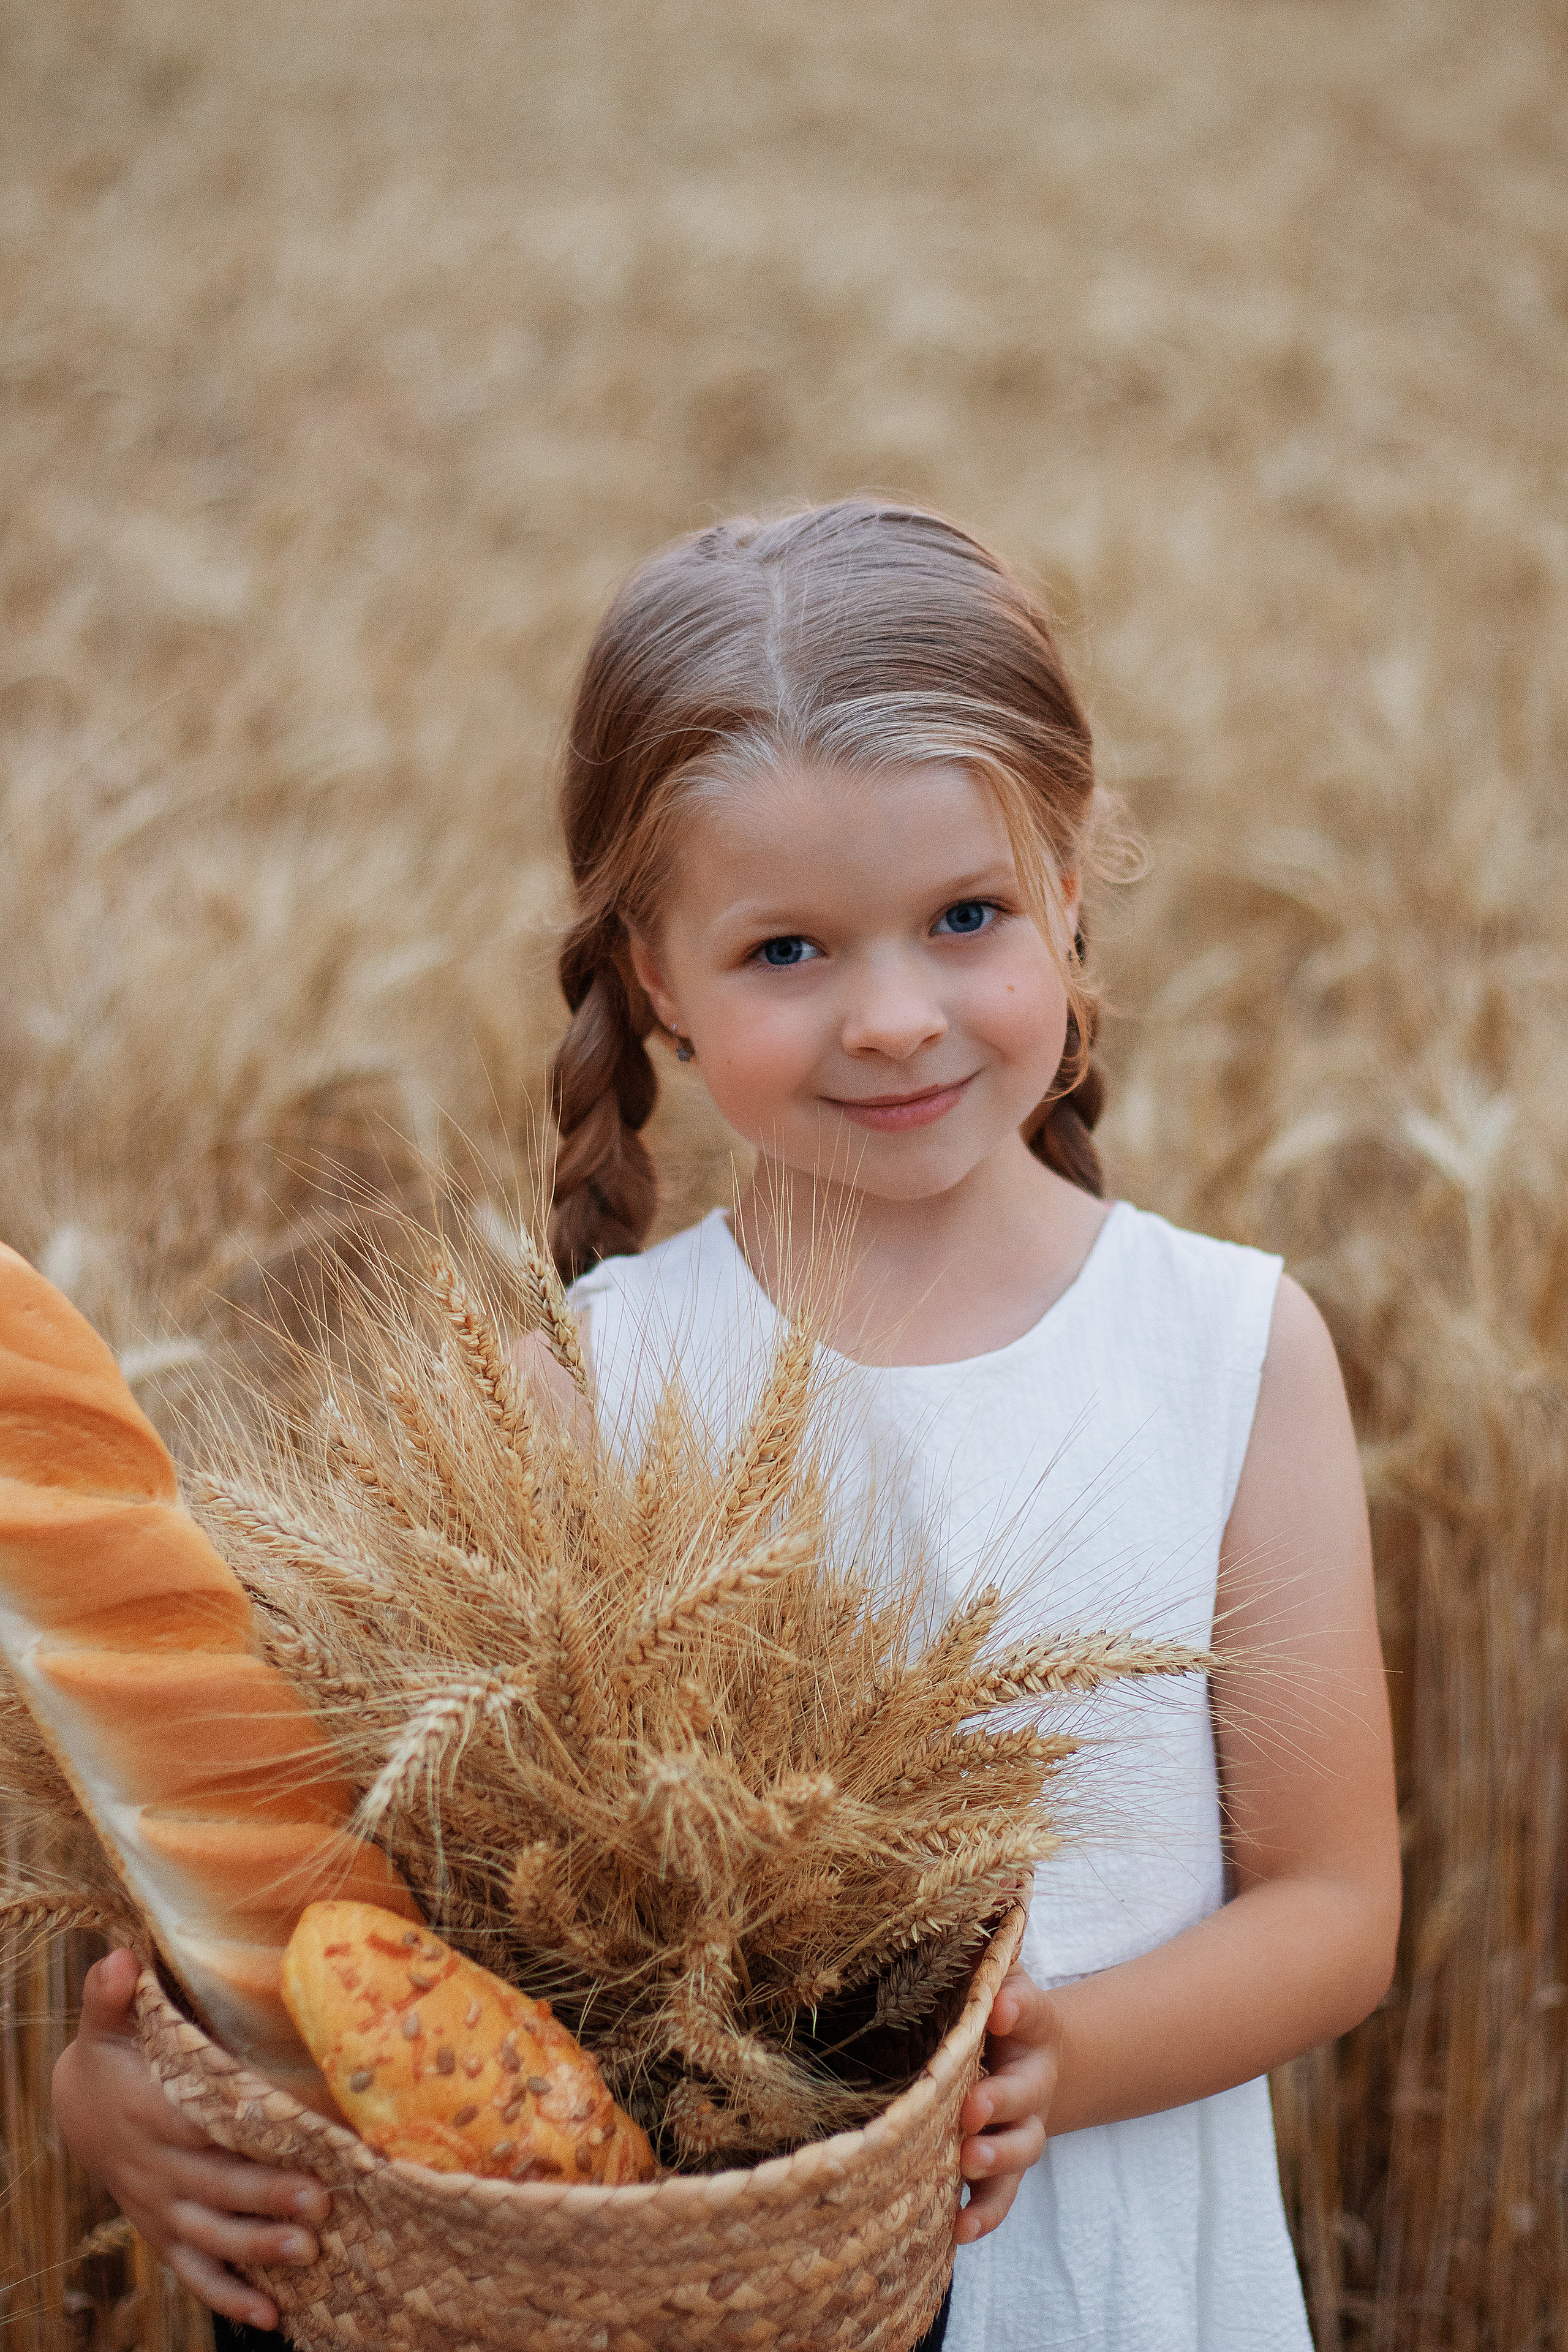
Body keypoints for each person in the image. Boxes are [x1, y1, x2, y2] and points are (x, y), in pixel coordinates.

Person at [54, 500, 1400, 2350]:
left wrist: (1055, 2062)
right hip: (710, 2294)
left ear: (1077, 881)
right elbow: (372, 1926)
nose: (898, 1016)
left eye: (967, 917)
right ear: (655, 978)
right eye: (789, 952)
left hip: (1110, 2263)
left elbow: (1335, 1905)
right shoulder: (571, 1396)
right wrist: (130, 2096)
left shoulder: (1232, 1346)